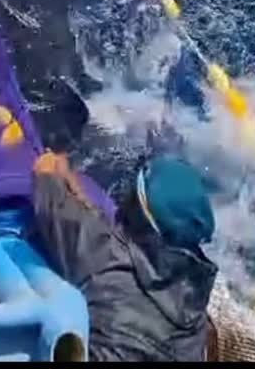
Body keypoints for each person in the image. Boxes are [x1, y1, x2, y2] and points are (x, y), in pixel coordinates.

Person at [33, 151, 218, 362]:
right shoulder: (196, 294)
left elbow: (46, 178)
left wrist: (58, 168)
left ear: (138, 213)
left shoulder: (106, 254)